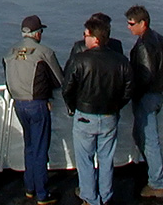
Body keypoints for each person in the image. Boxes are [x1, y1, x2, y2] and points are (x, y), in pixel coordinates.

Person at [61, 17, 132, 205]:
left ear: (96, 39)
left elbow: (67, 89)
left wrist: (74, 106)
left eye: (86, 35)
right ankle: (105, 196)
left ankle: (90, 197)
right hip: (110, 115)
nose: (84, 38)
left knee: (85, 159)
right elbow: (128, 89)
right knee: (106, 158)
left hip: (85, 116)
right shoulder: (121, 61)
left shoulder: (80, 60)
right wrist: (117, 106)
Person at [2, 15, 63, 205]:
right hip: (37, 104)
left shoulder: (9, 53)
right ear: (37, 34)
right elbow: (59, 80)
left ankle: (29, 188)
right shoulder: (44, 52)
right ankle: (42, 194)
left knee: (29, 146)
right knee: (40, 148)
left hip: (18, 104)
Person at [125, 5, 163, 198]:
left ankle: (156, 183)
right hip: (157, 94)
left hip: (147, 97)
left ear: (142, 23)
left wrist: (131, 92)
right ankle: (153, 174)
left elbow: (146, 75)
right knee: (141, 136)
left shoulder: (144, 46)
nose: (128, 27)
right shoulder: (160, 39)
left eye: (131, 24)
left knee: (148, 140)